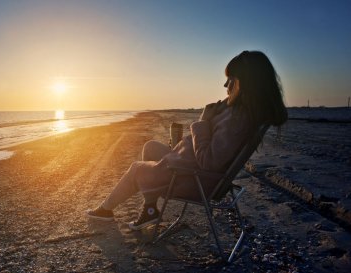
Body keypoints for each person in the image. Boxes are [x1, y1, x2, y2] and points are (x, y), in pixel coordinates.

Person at [86, 50, 288, 230]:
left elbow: (209, 161)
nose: (225, 86)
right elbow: (213, 148)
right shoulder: (241, 113)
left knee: (137, 169)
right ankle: (150, 211)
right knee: (151, 147)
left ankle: (104, 211)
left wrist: (203, 121)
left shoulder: (238, 119)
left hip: (192, 179)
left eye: (230, 80)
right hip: (189, 169)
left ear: (243, 84)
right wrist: (210, 120)